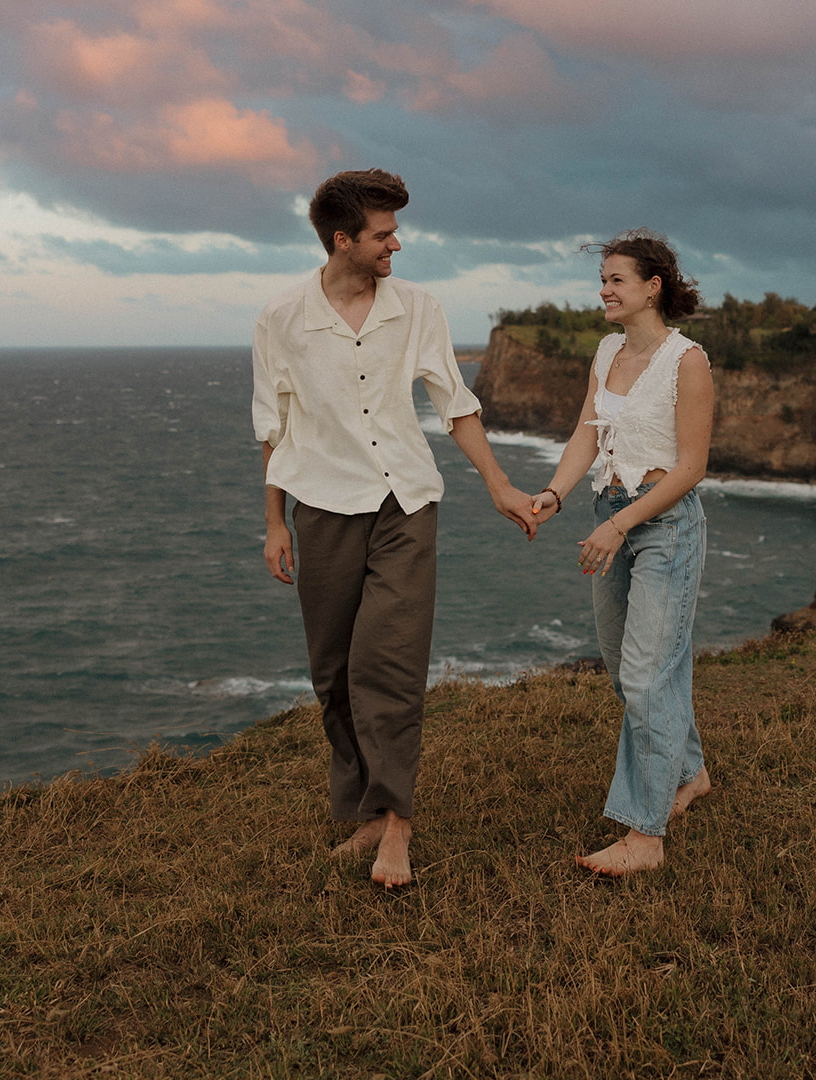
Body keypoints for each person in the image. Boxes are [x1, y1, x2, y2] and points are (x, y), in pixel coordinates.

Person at [253, 168, 538, 888]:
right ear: (342, 240)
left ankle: (398, 828)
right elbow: (273, 430)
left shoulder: (417, 309)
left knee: (390, 663)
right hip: (320, 508)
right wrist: (274, 524)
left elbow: (456, 404)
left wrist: (499, 484)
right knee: (334, 674)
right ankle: (367, 815)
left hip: (404, 504)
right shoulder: (281, 320)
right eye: (382, 235)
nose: (396, 245)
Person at [531, 229, 714, 876]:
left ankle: (644, 835)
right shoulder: (607, 349)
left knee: (645, 674)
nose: (603, 290)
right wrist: (554, 494)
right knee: (625, 669)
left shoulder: (685, 362)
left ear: (651, 287)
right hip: (608, 511)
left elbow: (690, 467)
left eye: (615, 280)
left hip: (662, 524)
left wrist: (620, 526)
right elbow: (588, 433)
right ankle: (688, 774)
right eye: (602, 279)